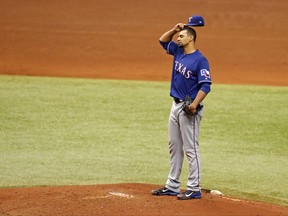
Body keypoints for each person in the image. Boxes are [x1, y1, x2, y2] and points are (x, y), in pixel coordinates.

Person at [151, 19, 212, 200]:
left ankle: (194, 187)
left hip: (189, 109)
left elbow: (206, 86)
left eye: (182, 35)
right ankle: (172, 185)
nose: (178, 38)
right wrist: (174, 28)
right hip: (175, 105)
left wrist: (193, 105)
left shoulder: (201, 60)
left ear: (191, 38)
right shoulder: (178, 52)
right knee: (175, 146)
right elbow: (162, 41)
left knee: (191, 149)